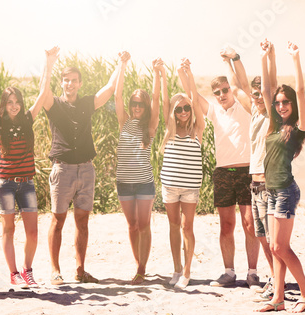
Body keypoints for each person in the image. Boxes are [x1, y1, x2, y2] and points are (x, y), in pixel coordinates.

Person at [42, 51, 126, 285]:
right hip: (62, 170)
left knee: (82, 221)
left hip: (86, 169)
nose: (70, 84)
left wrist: (121, 62)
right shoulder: (54, 104)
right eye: (66, 80)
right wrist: (49, 63)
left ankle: (80, 271)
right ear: (62, 82)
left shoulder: (87, 103)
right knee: (57, 221)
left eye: (74, 80)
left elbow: (109, 88)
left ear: (79, 83)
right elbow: (43, 91)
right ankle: (55, 271)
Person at [0, 47, 59, 289]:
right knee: (8, 228)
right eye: (9, 102)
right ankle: (14, 273)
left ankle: (28, 271)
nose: (14, 106)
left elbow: (43, 91)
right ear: (4, 105)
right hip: (4, 184)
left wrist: (48, 62)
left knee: (33, 233)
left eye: (17, 102)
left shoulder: (28, 118)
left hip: (26, 183)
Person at [256, 41, 305, 312]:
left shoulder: (298, 127)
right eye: (278, 103)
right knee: (273, 245)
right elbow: (267, 89)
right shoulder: (274, 124)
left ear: (292, 103)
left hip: (286, 191)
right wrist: (267, 57)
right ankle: (278, 299)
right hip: (270, 190)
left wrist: (295, 59)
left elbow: (301, 90)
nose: (280, 105)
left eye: (285, 102)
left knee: (280, 247)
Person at [194, 46, 260, 288]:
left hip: (246, 172)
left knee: (250, 224)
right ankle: (229, 272)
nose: (222, 94)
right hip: (222, 173)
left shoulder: (244, 107)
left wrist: (230, 61)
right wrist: (187, 73)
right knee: (226, 225)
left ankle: (252, 273)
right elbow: (193, 96)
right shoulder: (214, 112)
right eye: (217, 92)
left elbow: (241, 83)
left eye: (225, 90)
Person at [234, 40, 278, 299]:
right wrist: (233, 59)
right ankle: (273, 277)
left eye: (261, 92)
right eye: (255, 93)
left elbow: (270, 87)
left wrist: (269, 57)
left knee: (273, 239)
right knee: (260, 234)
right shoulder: (253, 113)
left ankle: (277, 281)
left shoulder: (273, 114)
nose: (257, 96)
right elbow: (239, 85)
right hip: (254, 183)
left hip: (269, 184)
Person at [114, 53, 161, 284]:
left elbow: (156, 98)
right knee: (132, 226)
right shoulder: (123, 121)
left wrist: (156, 73)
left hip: (144, 182)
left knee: (144, 225)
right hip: (123, 181)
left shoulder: (150, 126)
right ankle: (138, 265)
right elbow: (117, 95)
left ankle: (142, 269)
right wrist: (122, 65)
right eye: (134, 103)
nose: (136, 107)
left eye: (140, 104)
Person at [159, 59, 205, 289]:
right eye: (179, 109)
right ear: (174, 113)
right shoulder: (171, 131)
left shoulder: (198, 130)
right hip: (170, 185)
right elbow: (165, 101)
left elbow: (196, 99)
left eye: (186, 108)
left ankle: (187, 271)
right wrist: (164, 75)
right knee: (174, 225)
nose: (184, 111)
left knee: (188, 227)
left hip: (190, 187)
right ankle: (176, 269)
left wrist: (189, 73)